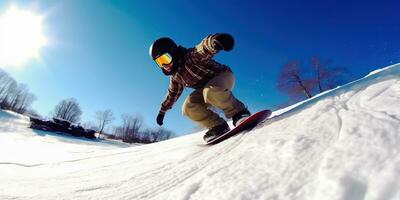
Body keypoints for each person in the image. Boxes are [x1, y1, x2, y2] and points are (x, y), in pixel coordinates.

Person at [149, 33, 250, 142]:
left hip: (223, 76)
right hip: (206, 90)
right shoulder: (176, 77)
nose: (164, 65)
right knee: (188, 107)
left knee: (210, 91)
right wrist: (162, 111)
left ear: (173, 52)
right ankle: (218, 126)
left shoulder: (190, 57)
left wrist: (215, 41)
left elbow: (202, 48)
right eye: (159, 62)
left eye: (165, 58)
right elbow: (172, 94)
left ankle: (240, 113)